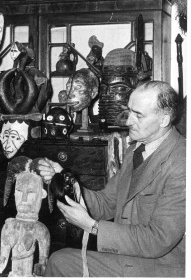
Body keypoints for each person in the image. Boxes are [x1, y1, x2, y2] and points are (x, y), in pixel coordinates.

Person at [37, 81, 185, 277]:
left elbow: (158, 240)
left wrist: (93, 227)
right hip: (131, 255)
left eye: (138, 115)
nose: (128, 121)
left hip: (160, 266)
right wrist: (64, 179)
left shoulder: (182, 163)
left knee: (59, 263)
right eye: (129, 111)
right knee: (59, 260)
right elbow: (106, 203)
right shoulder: (136, 150)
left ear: (164, 120)